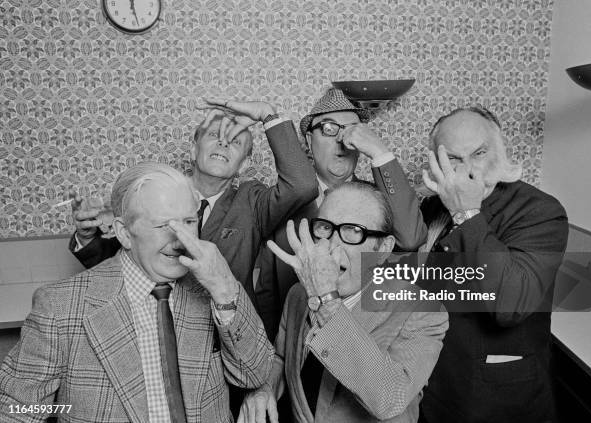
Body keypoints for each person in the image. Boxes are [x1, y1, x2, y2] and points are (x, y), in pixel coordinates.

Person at [0, 162, 273, 422]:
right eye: (163, 225)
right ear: (124, 233)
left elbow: (255, 375)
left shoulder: (211, 290)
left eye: (189, 222)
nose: (181, 241)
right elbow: (17, 408)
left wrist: (224, 289)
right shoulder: (60, 307)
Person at [68, 100, 318, 307]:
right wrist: (88, 238)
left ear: (244, 164)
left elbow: (303, 186)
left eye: (235, 141)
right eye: (214, 135)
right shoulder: (156, 192)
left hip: (226, 335)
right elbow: (122, 264)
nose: (223, 142)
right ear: (192, 149)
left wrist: (268, 115)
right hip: (161, 324)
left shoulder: (251, 201)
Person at [239, 182, 448, 423]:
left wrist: (327, 300)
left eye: (353, 231)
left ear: (383, 249)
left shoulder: (422, 310)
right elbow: (282, 358)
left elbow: (391, 399)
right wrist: (265, 389)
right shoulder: (298, 295)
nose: (332, 245)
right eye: (325, 228)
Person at [418, 106, 569, 423]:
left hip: (496, 399)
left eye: (479, 153)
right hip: (432, 387)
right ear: (435, 162)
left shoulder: (540, 210)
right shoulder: (431, 206)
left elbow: (510, 304)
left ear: (499, 152)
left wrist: (467, 214)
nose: (469, 170)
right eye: (454, 159)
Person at [255, 88, 427, 339]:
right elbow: (268, 293)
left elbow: (411, 239)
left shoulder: (378, 202)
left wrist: (380, 153)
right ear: (307, 141)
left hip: (358, 351)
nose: (342, 140)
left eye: (351, 130)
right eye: (328, 128)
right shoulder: (282, 204)